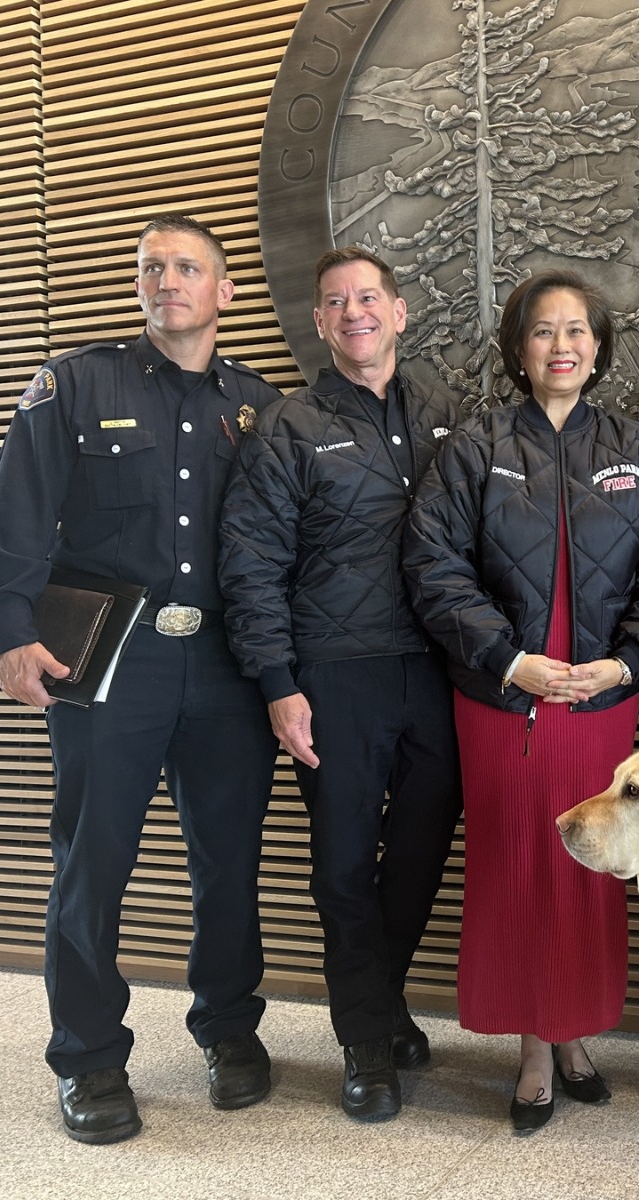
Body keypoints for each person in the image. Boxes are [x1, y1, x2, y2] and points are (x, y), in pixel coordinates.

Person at [0, 215, 282, 1144]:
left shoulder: (261, 405)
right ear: (139, 285)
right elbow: (16, 517)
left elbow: (274, 549)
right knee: (93, 861)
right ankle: (89, 1056)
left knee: (229, 860)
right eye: (152, 267)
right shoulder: (73, 383)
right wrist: (8, 633)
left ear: (224, 291)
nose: (168, 280)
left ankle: (228, 1030)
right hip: (112, 658)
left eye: (188, 267)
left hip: (225, 663)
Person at [403, 270, 639, 1132]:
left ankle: (575, 1034)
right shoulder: (472, 448)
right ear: (518, 349)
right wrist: (510, 659)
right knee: (515, 863)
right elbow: (433, 566)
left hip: (601, 703)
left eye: (577, 331)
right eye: (542, 331)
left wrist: (629, 663)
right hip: (503, 696)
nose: (561, 345)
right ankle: (532, 1045)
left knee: (595, 869)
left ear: (598, 347)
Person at [217, 247, 464, 1122]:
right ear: (320, 325)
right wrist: (280, 684)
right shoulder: (287, 426)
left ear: (398, 311)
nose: (355, 312)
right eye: (336, 302)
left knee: (428, 850)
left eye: (369, 297)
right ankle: (365, 1040)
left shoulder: (447, 409)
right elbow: (250, 566)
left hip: (437, 670)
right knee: (344, 865)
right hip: (334, 674)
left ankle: (381, 1000)